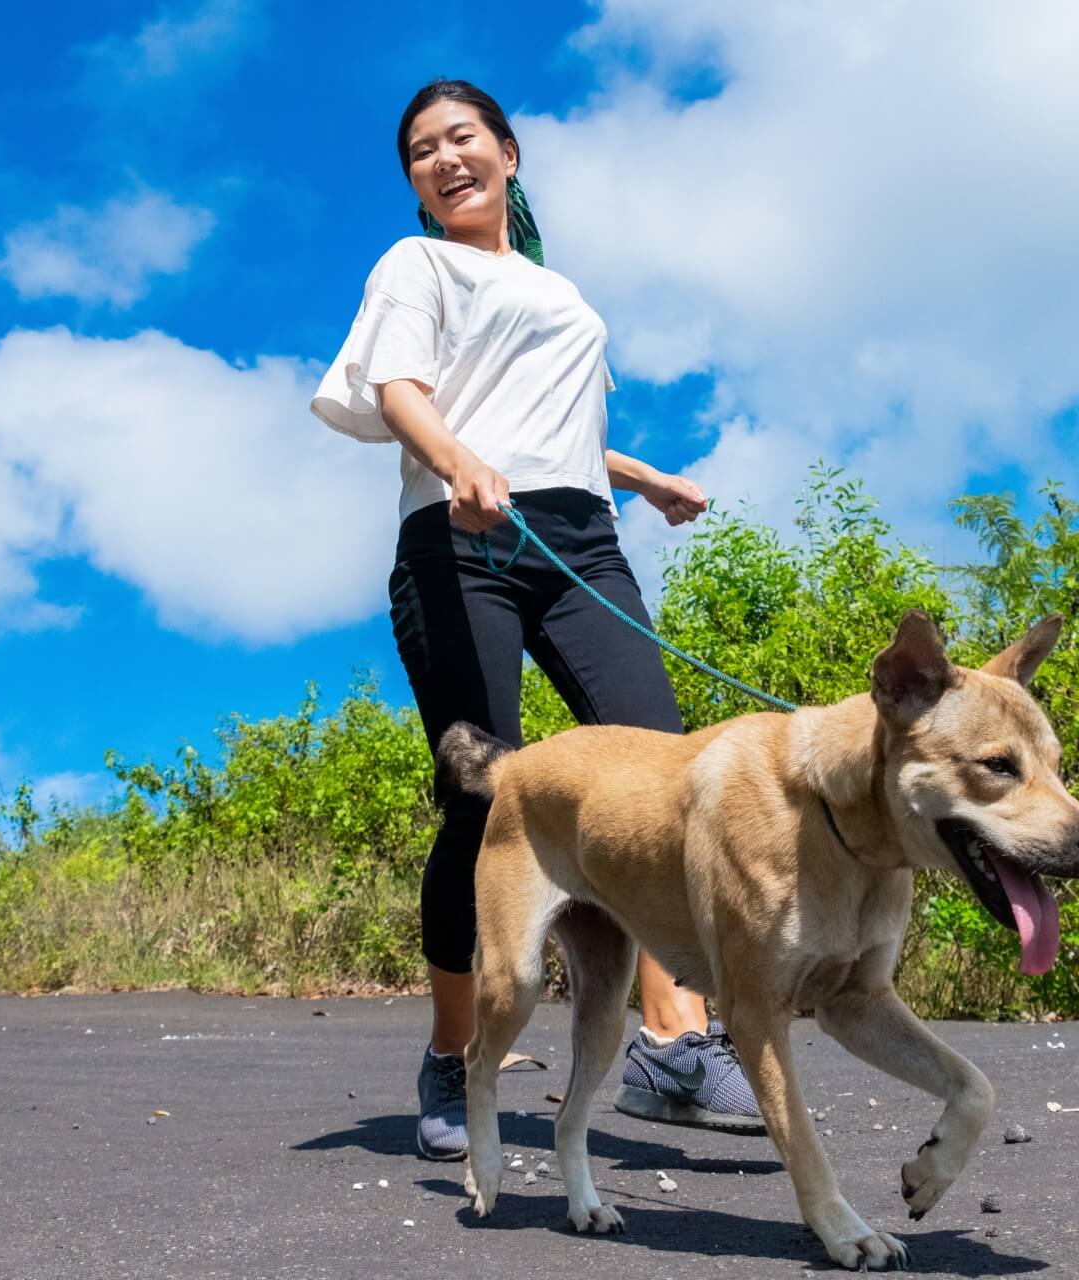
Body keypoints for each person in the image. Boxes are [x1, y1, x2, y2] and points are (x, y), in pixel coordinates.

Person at [310, 78, 763, 1161]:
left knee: (667, 782)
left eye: (462, 136)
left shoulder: (558, 293)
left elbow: (558, 426)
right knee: (485, 793)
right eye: (422, 150)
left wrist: (647, 478)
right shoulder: (416, 265)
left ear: (508, 152)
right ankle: (455, 1051)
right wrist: (456, 461)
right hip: (459, 537)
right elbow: (402, 388)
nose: (443, 158)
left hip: (580, 543)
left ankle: (673, 1048)